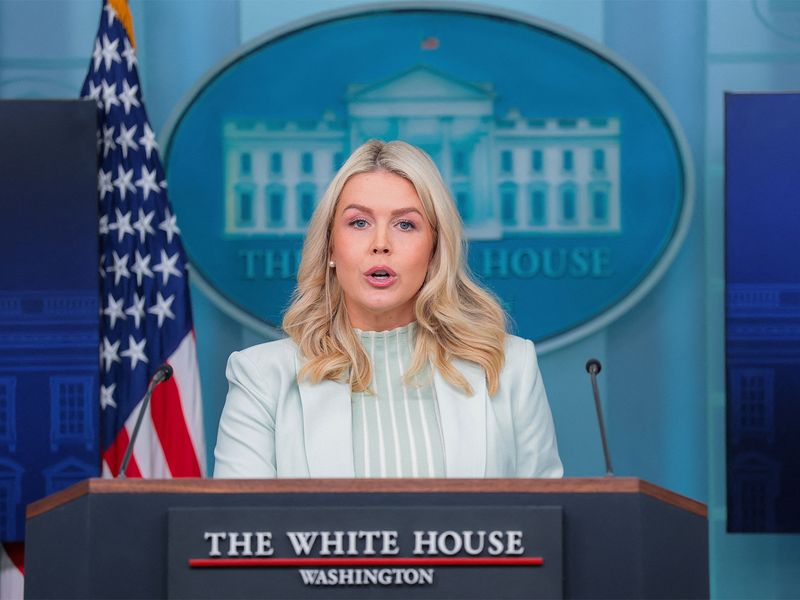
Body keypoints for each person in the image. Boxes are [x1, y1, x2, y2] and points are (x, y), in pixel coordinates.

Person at [213, 140, 562, 479]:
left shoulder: (510, 368)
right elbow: (242, 518)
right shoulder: (260, 378)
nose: (381, 244)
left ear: (435, 250)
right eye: (359, 223)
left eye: (405, 224)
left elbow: (544, 515)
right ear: (330, 247)